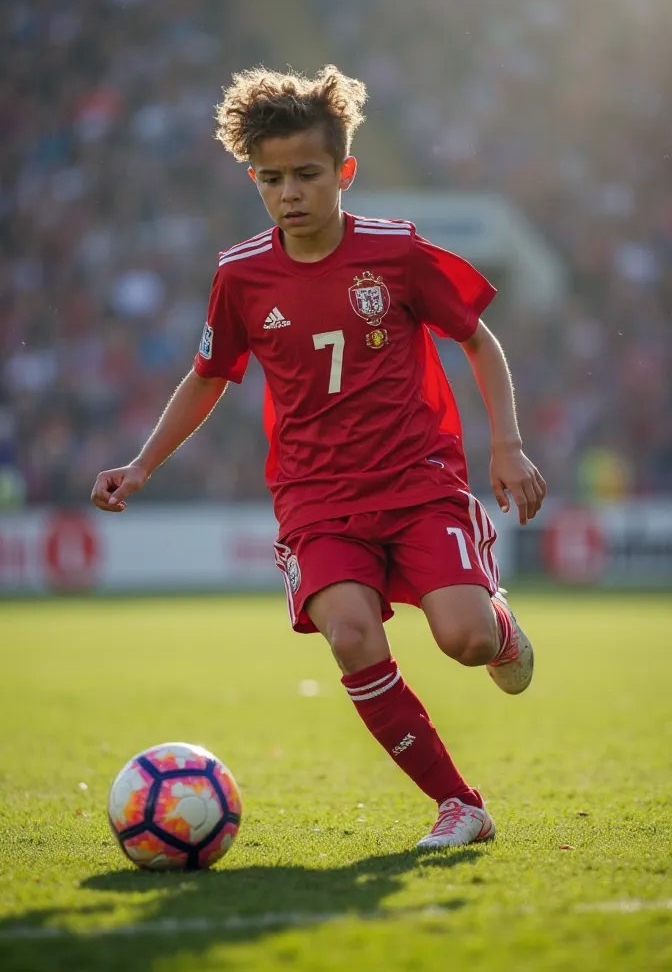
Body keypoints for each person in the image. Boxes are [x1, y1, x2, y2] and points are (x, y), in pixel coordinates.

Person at [91, 66, 546, 849]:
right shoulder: (239, 275)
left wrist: (505, 443)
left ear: (345, 172)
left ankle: (500, 629)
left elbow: (476, 336)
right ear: (254, 180)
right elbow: (208, 377)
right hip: (316, 496)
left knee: (464, 640)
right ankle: (459, 806)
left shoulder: (396, 252)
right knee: (350, 636)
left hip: (418, 479)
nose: (289, 193)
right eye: (270, 179)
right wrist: (142, 465)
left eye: (306, 174)